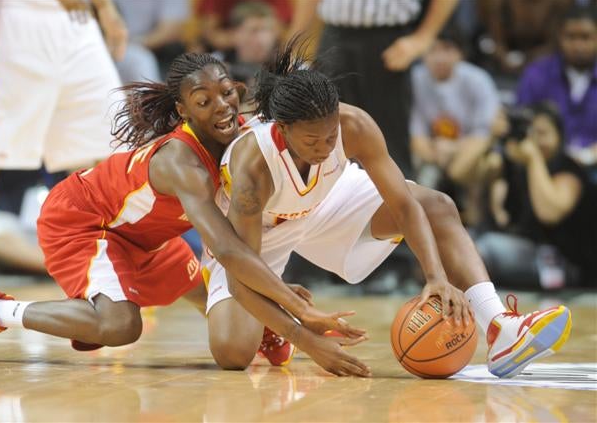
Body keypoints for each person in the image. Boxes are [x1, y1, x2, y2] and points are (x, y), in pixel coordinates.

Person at [0, 53, 370, 378]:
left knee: (213, 296)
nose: (222, 107)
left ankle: (263, 329)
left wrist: (272, 301)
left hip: (147, 237)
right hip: (86, 223)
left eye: (226, 93)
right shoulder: (182, 163)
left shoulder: (242, 131)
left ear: (237, 89)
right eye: (203, 101)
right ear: (184, 110)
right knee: (121, 327)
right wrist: (292, 310)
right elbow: (226, 248)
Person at [202, 40, 572, 379]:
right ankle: (272, 322)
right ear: (282, 128)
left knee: (436, 205)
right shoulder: (254, 169)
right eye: (312, 140)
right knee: (233, 353)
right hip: (260, 232)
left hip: (326, 201)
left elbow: (404, 204)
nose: (325, 146)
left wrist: (435, 276)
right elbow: (238, 274)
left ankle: (500, 326)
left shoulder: (354, 125)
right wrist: (304, 334)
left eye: (331, 136)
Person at [0, 0, 127, 301]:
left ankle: (113, 261)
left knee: (108, 142)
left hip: (77, 20)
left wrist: (104, 7)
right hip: (14, 17)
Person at [287, 0, 460, 178]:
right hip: (334, 36)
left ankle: (399, 203)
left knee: (388, 145)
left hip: (387, 40)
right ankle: (335, 202)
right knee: (329, 137)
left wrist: (424, 37)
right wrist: (292, 44)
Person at [469, 103, 597, 288]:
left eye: (543, 133)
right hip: (522, 246)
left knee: (482, 250)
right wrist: (491, 137)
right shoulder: (515, 162)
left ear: (559, 137)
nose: (535, 140)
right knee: (460, 239)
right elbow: (459, 173)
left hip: (562, 262)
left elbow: (549, 213)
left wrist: (534, 159)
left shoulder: (568, 169)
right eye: (531, 133)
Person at [410, 26, 501, 223]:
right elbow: (415, 135)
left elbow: (486, 133)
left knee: (487, 162)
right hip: (433, 153)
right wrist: (436, 153)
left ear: (460, 53)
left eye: (447, 49)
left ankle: (477, 221)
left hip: (468, 151)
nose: (439, 57)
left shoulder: (478, 80)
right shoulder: (415, 79)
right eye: (432, 49)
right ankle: (415, 223)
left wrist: (453, 149)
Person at [516, 5, 597, 174]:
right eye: (571, 37)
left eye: (586, 37)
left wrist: (589, 155)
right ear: (560, 37)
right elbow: (521, 124)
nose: (578, 45)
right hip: (545, 164)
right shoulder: (536, 74)